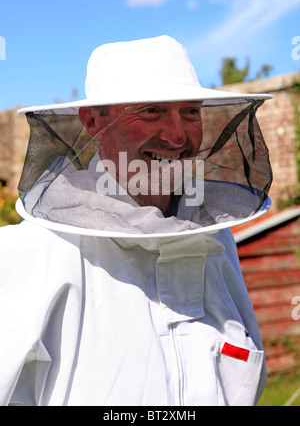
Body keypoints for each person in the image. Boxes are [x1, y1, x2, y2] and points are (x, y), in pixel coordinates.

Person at [0, 35, 273, 406]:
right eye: (151, 111)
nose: (178, 136)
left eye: (190, 111)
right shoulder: (27, 254)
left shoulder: (215, 239)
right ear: (93, 120)